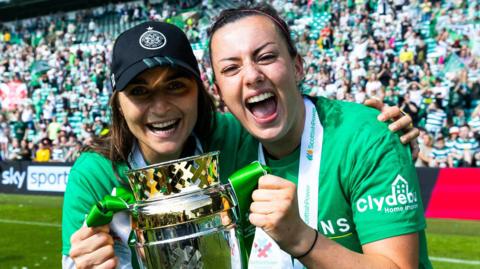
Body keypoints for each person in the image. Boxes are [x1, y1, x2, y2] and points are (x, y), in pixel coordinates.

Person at [63, 21, 419, 269]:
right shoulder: (95, 174)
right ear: (117, 103)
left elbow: (297, 112)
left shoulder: (230, 137)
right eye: (139, 91)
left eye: (176, 86)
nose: (160, 107)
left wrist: (374, 128)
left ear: (203, 93)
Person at [208, 4, 430, 268]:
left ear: (298, 67)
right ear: (218, 91)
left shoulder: (366, 136)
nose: (252, 76)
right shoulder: (222, 141)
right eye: (231, 68)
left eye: (266, 57)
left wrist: (301, 239)